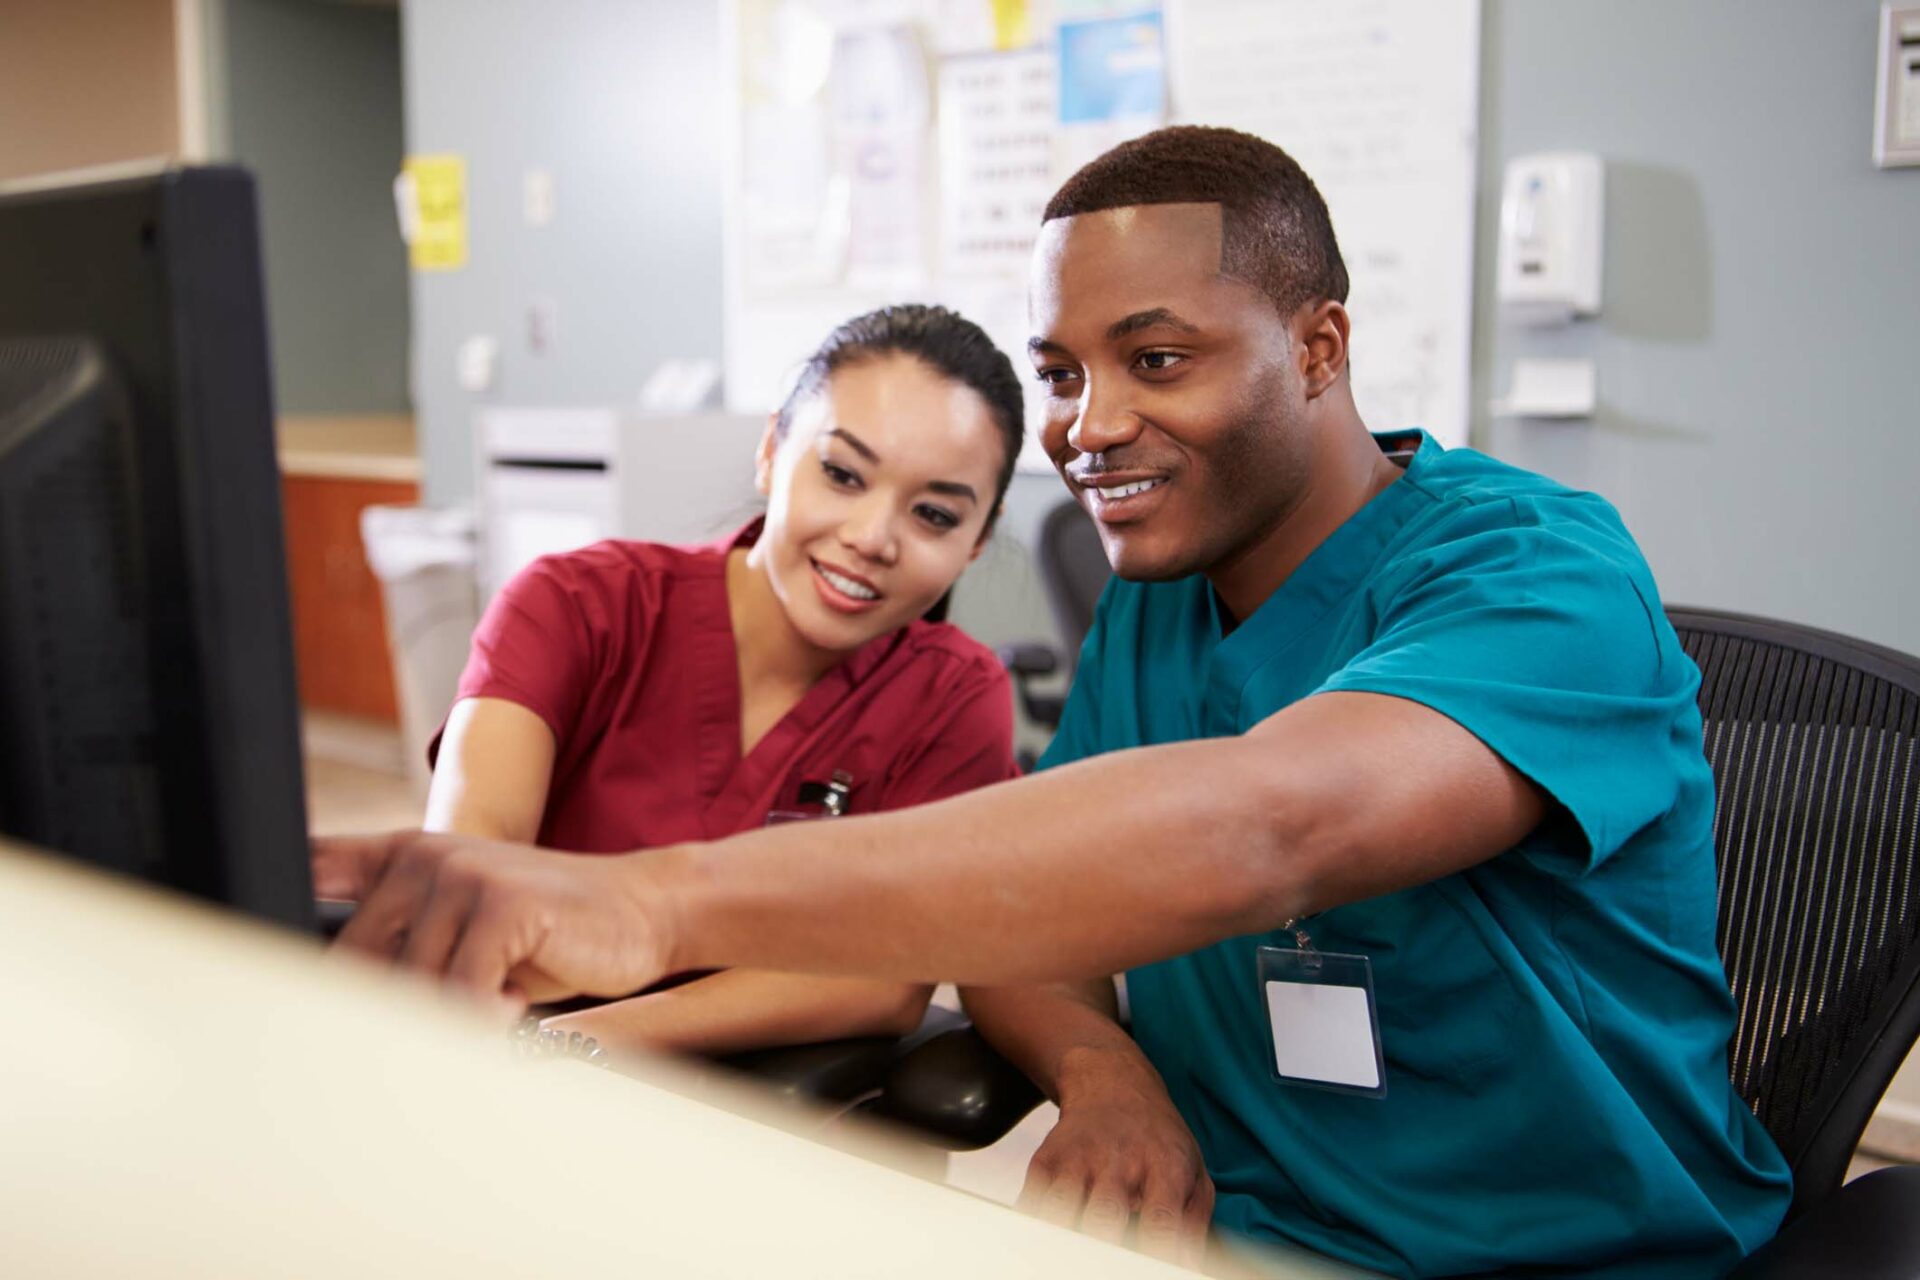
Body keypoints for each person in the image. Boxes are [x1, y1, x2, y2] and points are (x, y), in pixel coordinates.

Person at [317, 127, 1792, 1278]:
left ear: (1320, 351)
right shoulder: (1158, 597)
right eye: (1065, 374)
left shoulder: (1539, 572)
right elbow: (1037, 898)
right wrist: (1102, 1069)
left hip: (1558, 1261)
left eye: (1156, 361)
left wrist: (657, 903)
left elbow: (1271, 826)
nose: (1090, 429)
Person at [420, 304, 1025, 1057]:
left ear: (977, 544)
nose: (872, 538)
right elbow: (466, 872)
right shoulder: (576, 606)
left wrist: (577, 1047)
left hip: (763, 1126)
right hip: (496, 1065)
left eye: (933, 515)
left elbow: (884, 979)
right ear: (772, 450)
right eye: (841, 474)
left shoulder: (954, 699)